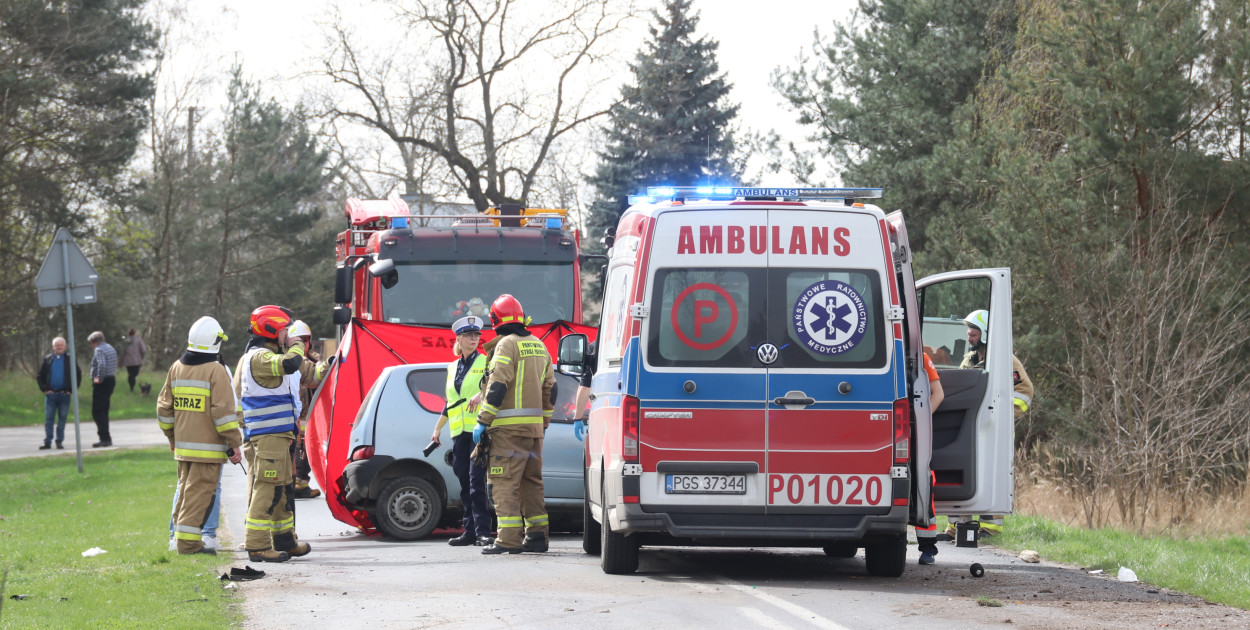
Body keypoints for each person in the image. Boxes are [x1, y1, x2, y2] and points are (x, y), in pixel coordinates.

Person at [473, 295, 556, 555]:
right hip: (533, 432)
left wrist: (482, 421)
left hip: (507, 432)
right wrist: (543, 422)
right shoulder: (539, 345)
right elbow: (550, 390)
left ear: (495, 321)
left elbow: (497, 386)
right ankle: (537, 537)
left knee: (504, 483)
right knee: (532, 483)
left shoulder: (506, 345)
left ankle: (507, 539)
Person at [156, 316, 243, 555]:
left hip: (183, 448)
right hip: (208, 451)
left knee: (186, 492)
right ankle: (188, 544)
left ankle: (181, 540)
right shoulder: (215, 370)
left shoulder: (176, 367)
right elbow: (224, 413)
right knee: (199, 495)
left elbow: (164, 409)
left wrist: (171, 437)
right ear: (215, 343)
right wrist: (235, 443)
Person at [235, 305, 311, 563]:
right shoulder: (260, 358)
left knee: (282, 491)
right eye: (284, 332)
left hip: (278, 437)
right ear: (271, 331)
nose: (287, 336)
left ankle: (285, 541)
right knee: (267, 488)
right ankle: (257, 546)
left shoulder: (263, 356)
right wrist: (297, 344)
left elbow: (301, 371)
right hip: (268, 437)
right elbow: (291, 363)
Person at [953, 309, 1035, 537]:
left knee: (992, 476)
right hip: (970, 430)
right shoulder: (968, 360)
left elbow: (1025, 391)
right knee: (966, 475)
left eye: (975, 332)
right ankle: (957, 527)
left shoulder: (1006, 360)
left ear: (986, 333)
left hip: (994, 431)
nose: (969, 335)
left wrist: (1000, 415)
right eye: (969, 331)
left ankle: (989, 528)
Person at [430, 315, 493, 547]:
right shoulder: (452, 367)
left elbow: (496, 386)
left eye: (477, 335)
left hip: (478, 430)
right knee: (464, 482)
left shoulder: (486, 362)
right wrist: (437, 428)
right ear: (459, 339)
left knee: (476, 482)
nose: (474, 339)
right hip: (459, 433)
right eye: (469, 335)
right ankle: (470, 531)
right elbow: (450, 401)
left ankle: (484, 531)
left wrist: (481, 394)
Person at [288, 320, 329, 499]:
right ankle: (299, 485)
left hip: (314, 414)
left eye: (306, 340)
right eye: (300, 340)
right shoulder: (291, 361)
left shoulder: (315, 360)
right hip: (300, 415)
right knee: (300, 451)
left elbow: (319, 375)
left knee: (309, 451)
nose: (304, 344)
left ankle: (302, 483)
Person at [916, 352, 944, 565]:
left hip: (914, 430)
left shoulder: (921, 357)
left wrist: (920, 421)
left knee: (924, 484)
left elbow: (938, 393)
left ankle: (928, 548)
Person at [36, 336, 82, 450]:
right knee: (49, 419)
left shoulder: (70, 358)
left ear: (65, 346)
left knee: (62, 418)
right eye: (57, 345)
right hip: (51, 395)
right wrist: (45, 389)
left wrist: (71, 390)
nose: (59, 347)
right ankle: (47, 441)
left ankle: (59, 441)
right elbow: (40, 376)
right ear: (53, 347)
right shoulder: (48, 359)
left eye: (61, 345)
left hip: (64, 395)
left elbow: (78, 374)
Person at [87, 331, 118, 447]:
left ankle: (104, 437)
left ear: (92, 342)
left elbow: (102, 365)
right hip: (111, 379)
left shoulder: (99, 350)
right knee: (104, 410)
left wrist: (98, 378)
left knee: (98, 411)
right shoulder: (110, 347)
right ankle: (106, 437)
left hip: (103, 382)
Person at [120, 328, 148, 393]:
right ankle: (132, 385)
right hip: (137, 361)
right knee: (135, 374)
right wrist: (142, 357)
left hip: (128, 361)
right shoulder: (139, 340)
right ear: (135, 333)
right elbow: (144, 350)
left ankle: (131, 386)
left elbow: (122, 352)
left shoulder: (126, 341)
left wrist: (120, 362)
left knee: (131, 374)